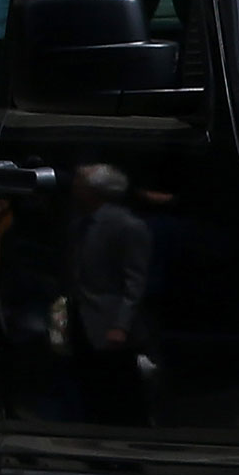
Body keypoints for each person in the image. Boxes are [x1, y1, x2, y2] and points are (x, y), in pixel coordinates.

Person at [67, 163, 151, 426]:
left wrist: (121, 325)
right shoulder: (80, 223)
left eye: (80, 182)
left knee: (118, 389)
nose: (74, 187)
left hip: (110, 322)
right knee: (90, 388)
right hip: (83, 316)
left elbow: (135, 281)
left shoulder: (127, 226)